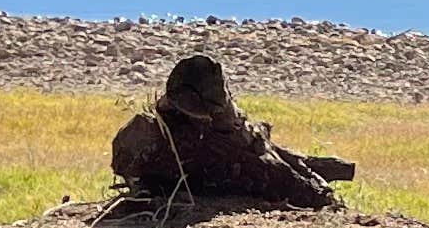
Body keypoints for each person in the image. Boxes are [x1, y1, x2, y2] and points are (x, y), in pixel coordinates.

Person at [107, 54, 355, 212]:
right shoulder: (153, 131)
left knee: (303, 188)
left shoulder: (228, 131)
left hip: (242, 163)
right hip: (207, 171)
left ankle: (321, 194)